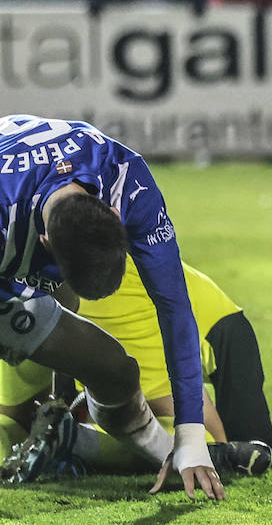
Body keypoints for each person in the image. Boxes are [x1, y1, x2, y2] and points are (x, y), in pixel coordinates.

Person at [0, 114, 223, 499]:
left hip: (31, 204)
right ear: (46, 243)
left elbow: (174, 306)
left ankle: (166, 449)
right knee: (99, 362)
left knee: (110, 367)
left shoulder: (127, 179)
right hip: (10, 224)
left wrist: (191, 433)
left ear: (116, 217)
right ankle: (144, 447)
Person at [2, 258, 272, 481]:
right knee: (209, 448)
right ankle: (74, 441)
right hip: (115, 296)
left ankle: (72, 436)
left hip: (37, 294)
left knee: (17, 422)